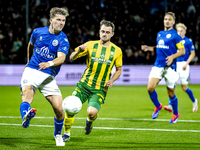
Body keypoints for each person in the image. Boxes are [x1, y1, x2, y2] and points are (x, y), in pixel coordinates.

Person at [62, 20, 122, 142]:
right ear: (99, 32)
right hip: (83, 85)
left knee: (91, 113)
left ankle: (89, 122)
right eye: (103, 31)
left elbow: (119, 70)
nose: (104, 34)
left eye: (107, 32)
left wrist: (112, 80)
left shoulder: (117, 50)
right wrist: (78, 51)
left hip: (100, 88)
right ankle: (66, 134)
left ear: (112, 34)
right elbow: (71, 57)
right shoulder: (90, 45)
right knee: (70, 108)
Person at [19, 7, 69, 146]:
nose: (61, 23)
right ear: (51, 20)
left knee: (59, 109)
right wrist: (28, 62)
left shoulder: (63, 39)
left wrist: (49, 63)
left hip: (48, 76)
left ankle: (58, 135)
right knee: (27, 94)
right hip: (32, 70)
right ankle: (26, 116)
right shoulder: (38, 32)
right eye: (58, 20)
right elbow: (30, 45)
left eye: (63, 20)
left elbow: (62, 58)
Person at [141, 12, 185, 123]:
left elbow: (182, 51)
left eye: (170, 19)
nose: (167, 21)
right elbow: (160, 47)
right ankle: (158, 106)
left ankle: (175, 113)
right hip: (158, 66)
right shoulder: (159, 34)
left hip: (170, 68)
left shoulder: (176, 36)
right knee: (150, 88)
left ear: (173, 22)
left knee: (171, 93)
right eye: (165, 19)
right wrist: (149, 48)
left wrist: (172, 56)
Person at [164, 23, 198, 113]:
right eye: (178, 31)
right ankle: (171, 105)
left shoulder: (188, 41)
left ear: (184, 32)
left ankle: (194, 101)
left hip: (184, 65)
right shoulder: (175, 41)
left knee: (184, 87)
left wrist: (186, 63)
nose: (179, 32)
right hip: (175, 64)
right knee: (171, 84)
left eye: (181, 31)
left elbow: (193, 53)